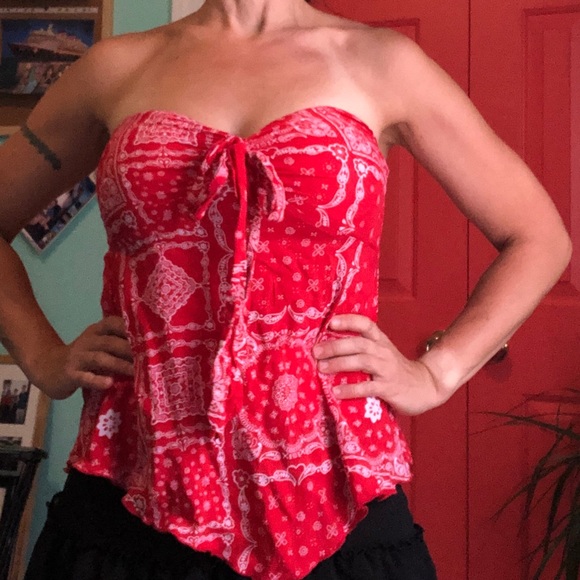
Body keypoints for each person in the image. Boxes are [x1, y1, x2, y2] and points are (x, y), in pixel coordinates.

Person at [0, 1, 571, 579]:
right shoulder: (114, 68)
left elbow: (539, 238)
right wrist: (45, 358)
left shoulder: (383, 63)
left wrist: (436, 373)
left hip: (333, 495)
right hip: (133, 489)